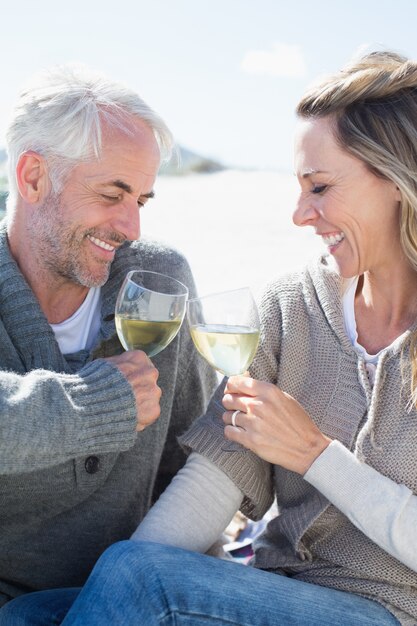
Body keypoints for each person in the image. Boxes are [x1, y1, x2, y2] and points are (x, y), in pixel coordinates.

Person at [30, 48, 417, 626]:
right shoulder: (292, 308)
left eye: (320, 187)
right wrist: (125, 568)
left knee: (140, 579)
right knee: (35, 613)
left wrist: (314, 455)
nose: (299, 214)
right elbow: (214, 480)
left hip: (390, 611)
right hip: (269, 594)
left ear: (396, 181)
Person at [0, 65, 217, 620]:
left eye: (141, 200)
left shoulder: (158, 280)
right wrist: (97, 404)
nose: (131, 227)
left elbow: (190, 451)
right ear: (31, 178)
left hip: (134, 600)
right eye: (111, 194)